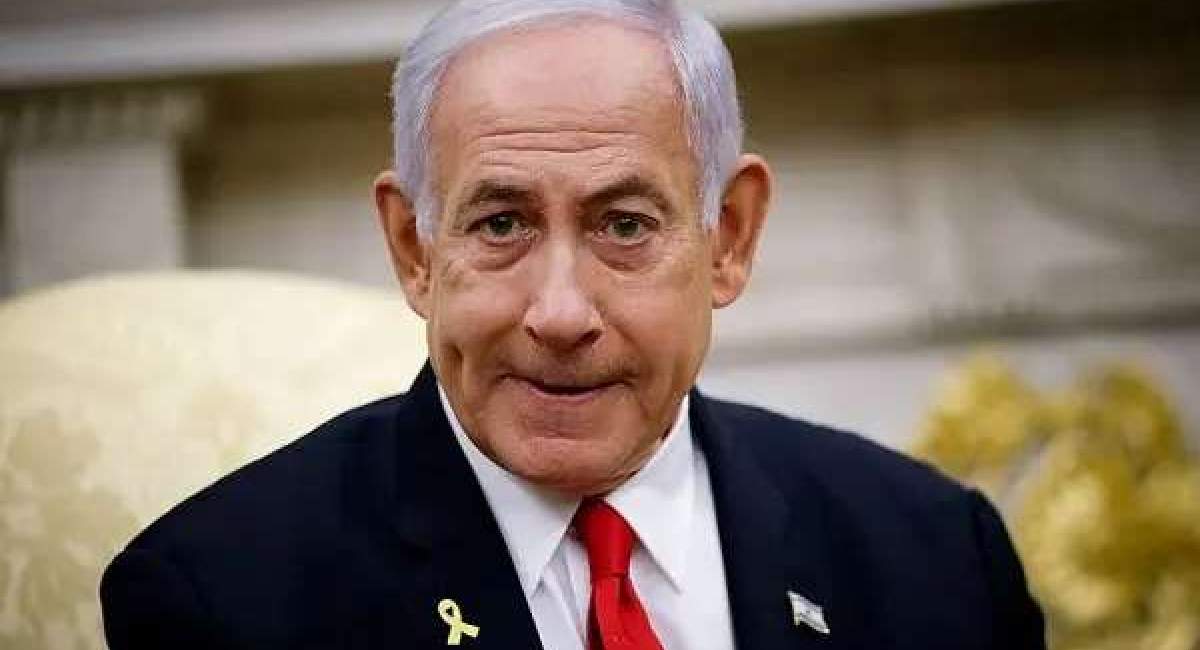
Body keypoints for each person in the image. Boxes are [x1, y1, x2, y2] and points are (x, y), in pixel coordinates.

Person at [100, 0, 1046, 648]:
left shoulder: (936, 557)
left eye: (624, 225)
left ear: (729, 237)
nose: (559, 313)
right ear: (415, 248)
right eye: (500, 224)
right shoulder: (220, 601)